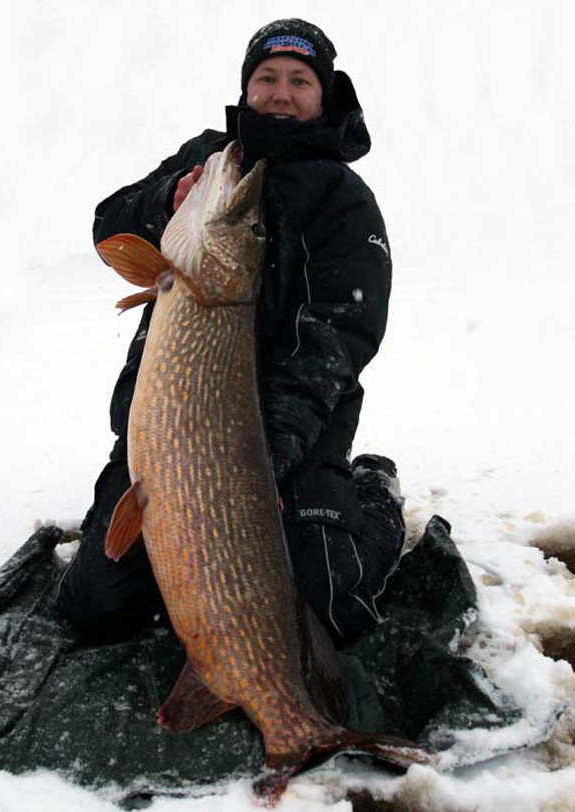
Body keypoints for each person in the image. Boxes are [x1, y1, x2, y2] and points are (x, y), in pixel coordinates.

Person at [57, 18, 405, 648]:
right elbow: (109, 226)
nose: (281, 92)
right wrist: (166, 200)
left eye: (300, 80)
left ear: (326, 95)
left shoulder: (347, 204)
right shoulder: (211, 158)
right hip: (169, 435)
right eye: (266, 77)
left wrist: (255, 464)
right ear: (246, 89)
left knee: (325, 611)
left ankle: (373, 493)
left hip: (293, 438)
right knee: (98, 611)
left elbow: (332, 346)